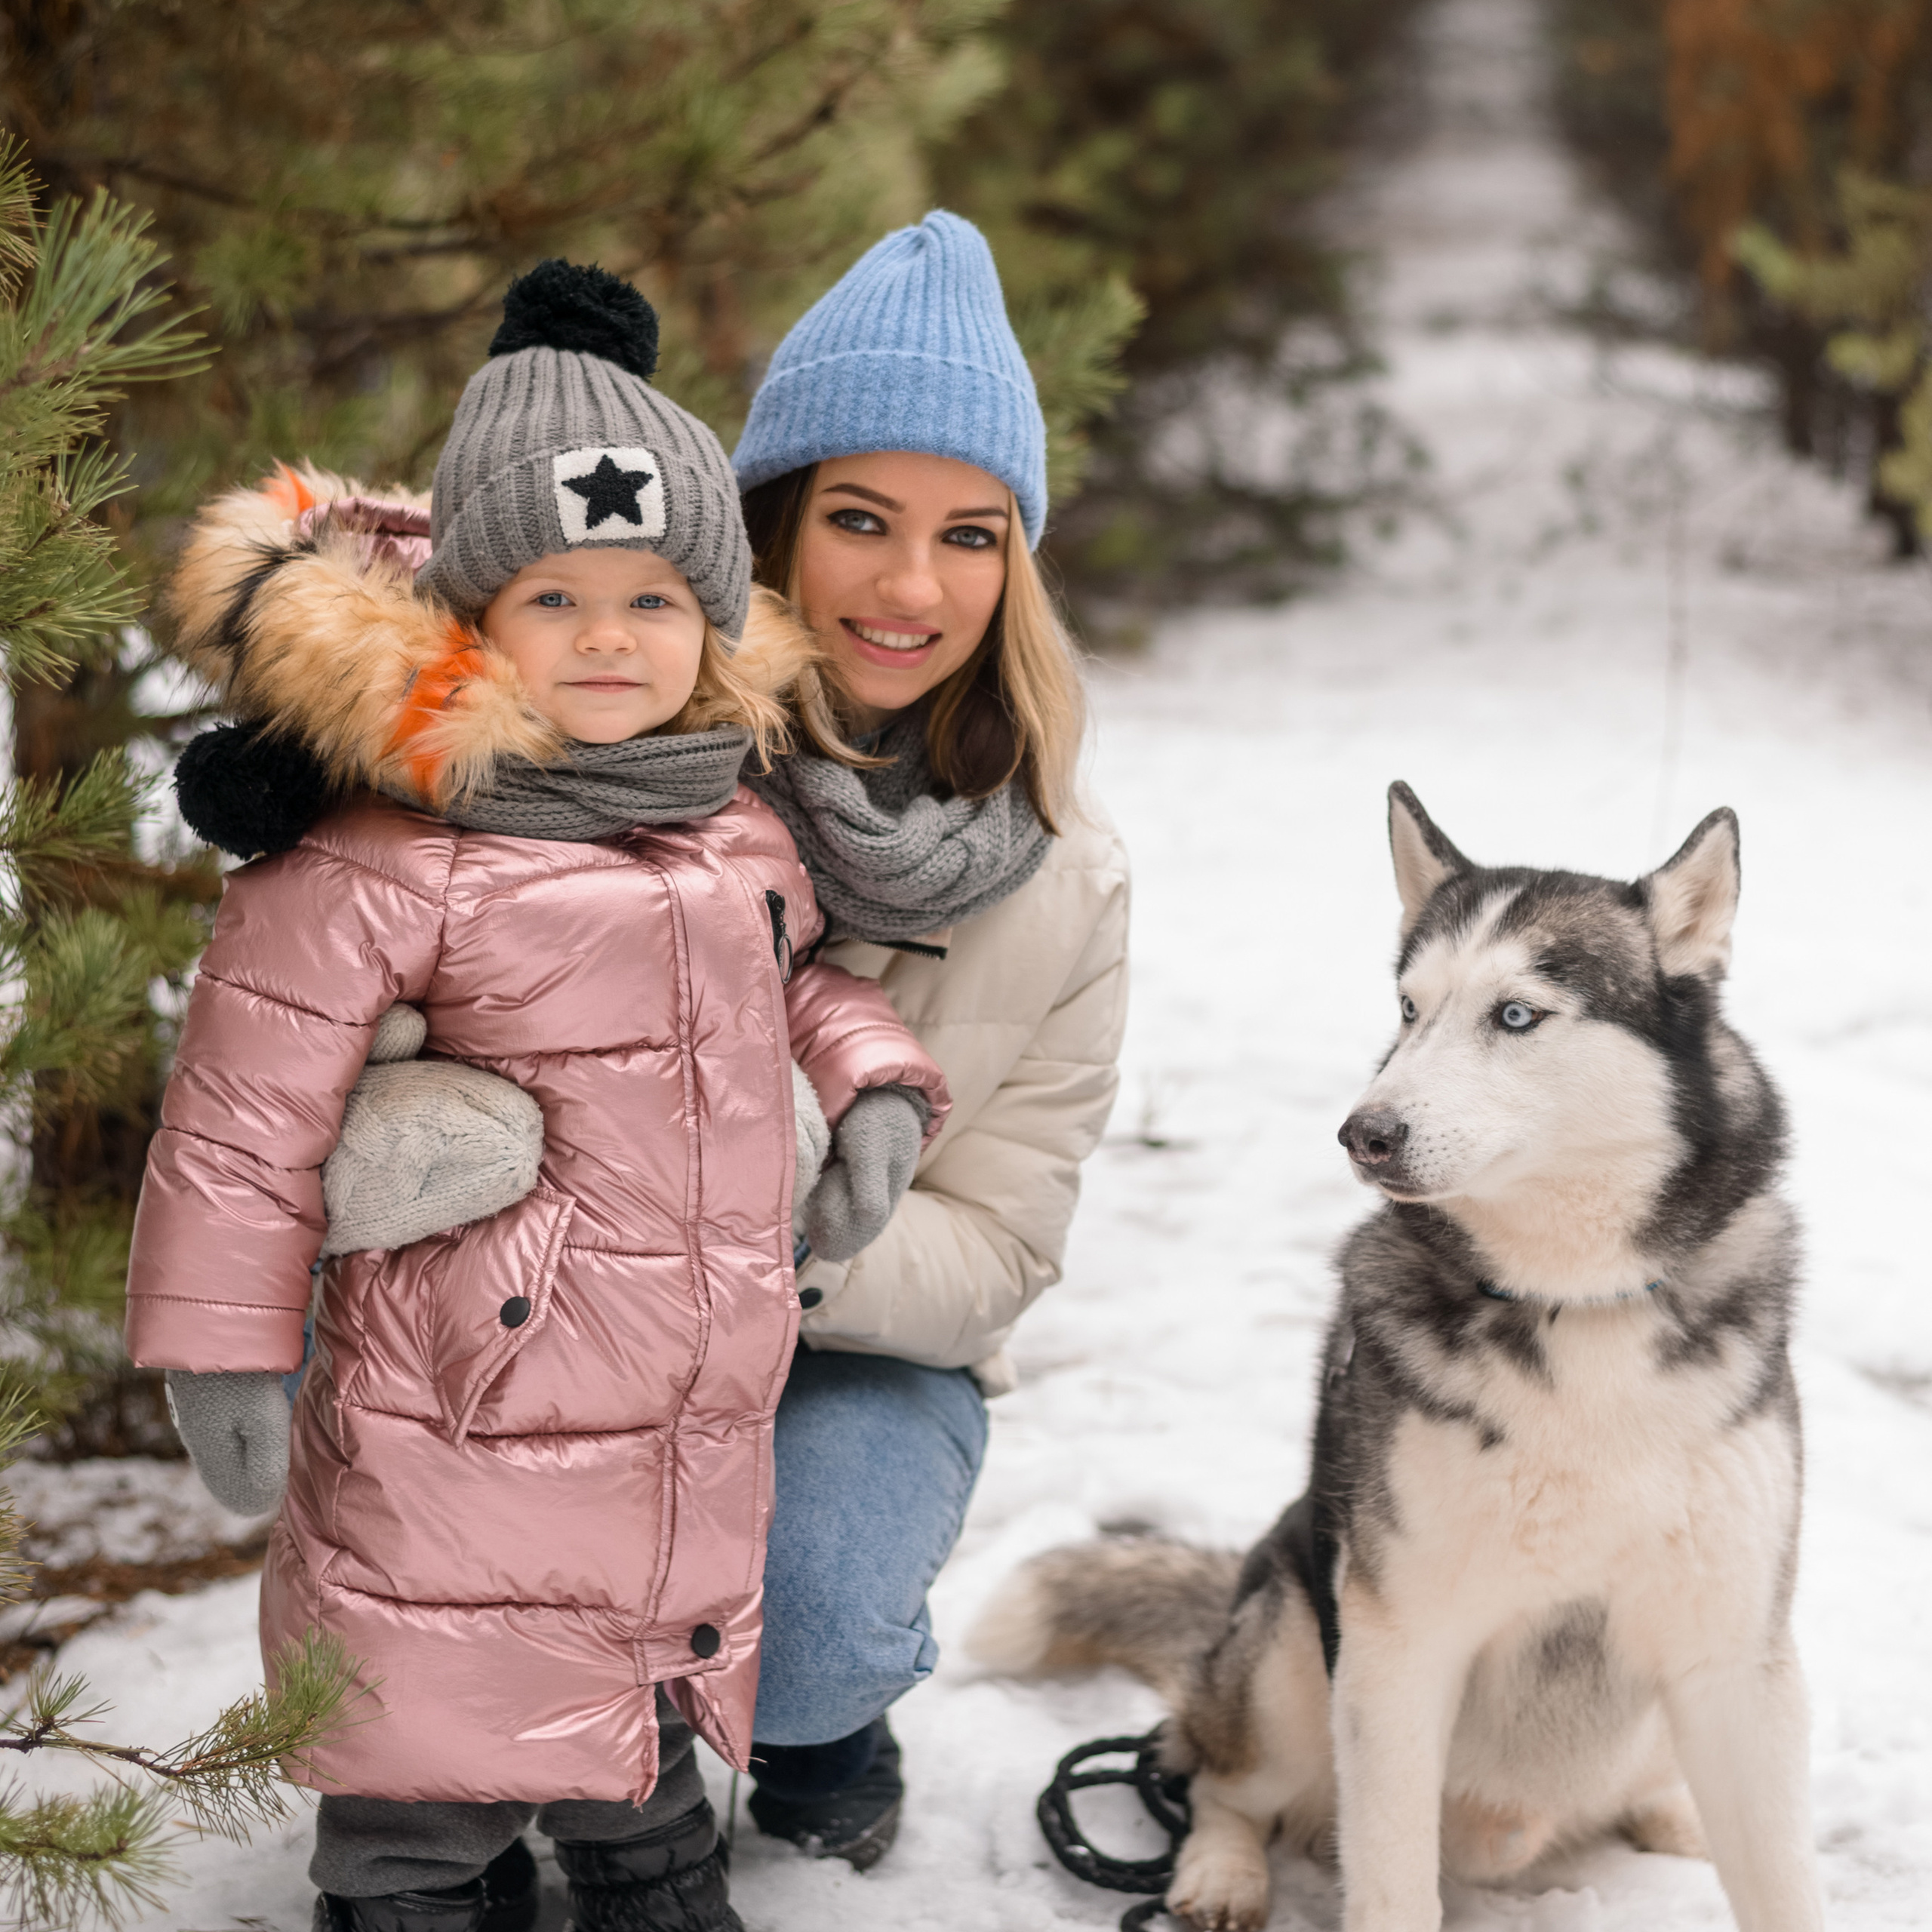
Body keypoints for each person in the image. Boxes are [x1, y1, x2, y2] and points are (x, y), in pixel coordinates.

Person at [173, 211, 1132, 1877]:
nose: (913, 585)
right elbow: (278, 1043)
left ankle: (814, 1716)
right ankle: (433, 1803)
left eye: (970, 535)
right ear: (765, 528)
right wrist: (388, 1149)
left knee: (806, 1617)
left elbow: (994, 1248)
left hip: (837, 1333)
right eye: (859, 518)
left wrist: (717, 1225)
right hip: (507, 1312)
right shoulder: (594, 717)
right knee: (441, 1511)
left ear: (1016, 565)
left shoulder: (1064, 875)